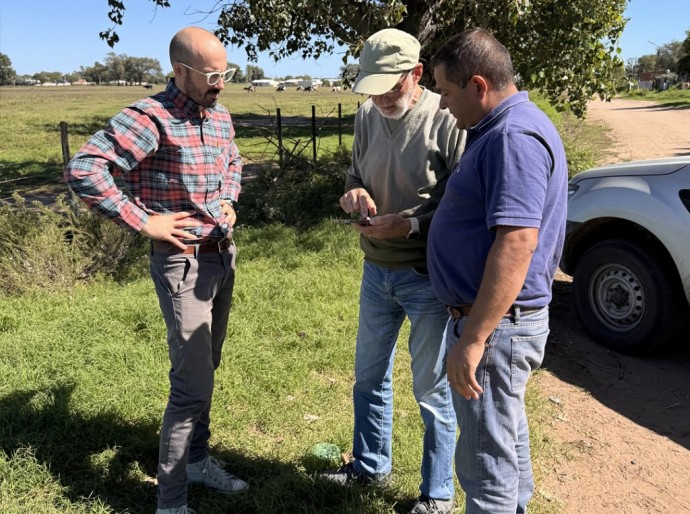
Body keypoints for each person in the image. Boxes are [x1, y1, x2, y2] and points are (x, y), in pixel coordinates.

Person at [64, 26, 247, 514]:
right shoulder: (152, 117)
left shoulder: (219, 113)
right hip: (182, 265)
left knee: (207, 368)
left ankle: (198, 461)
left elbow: (231, 159)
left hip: (221, 256)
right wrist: (145, 220)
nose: (221, 83)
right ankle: (171, 503)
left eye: (225, 72)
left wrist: (228, 200)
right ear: (180, 71)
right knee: (191, 387)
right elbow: (85, 168)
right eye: (211, 75)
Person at [321, 28, 466, 514]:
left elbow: (464, 203)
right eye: (373, 85)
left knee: (432, 389)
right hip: (375, 271)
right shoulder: (366, 115)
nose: (381, 96)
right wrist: (353, 194)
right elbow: (355, 175)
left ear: (417, 74)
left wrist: (409, 225)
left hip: (429, 277)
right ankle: (368, 465)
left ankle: (438, 494)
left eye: (391, 85)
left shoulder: (448, 118)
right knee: (368, 376)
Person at [427, 28, 568, 513]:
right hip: (496, 325)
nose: (443, 105)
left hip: (495, 328)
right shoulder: (500, 130)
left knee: (486, 472)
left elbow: (517, 243)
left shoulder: (512, 137)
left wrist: (472, 339)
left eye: (446, 92)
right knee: (504, 449)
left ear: (478, 85)